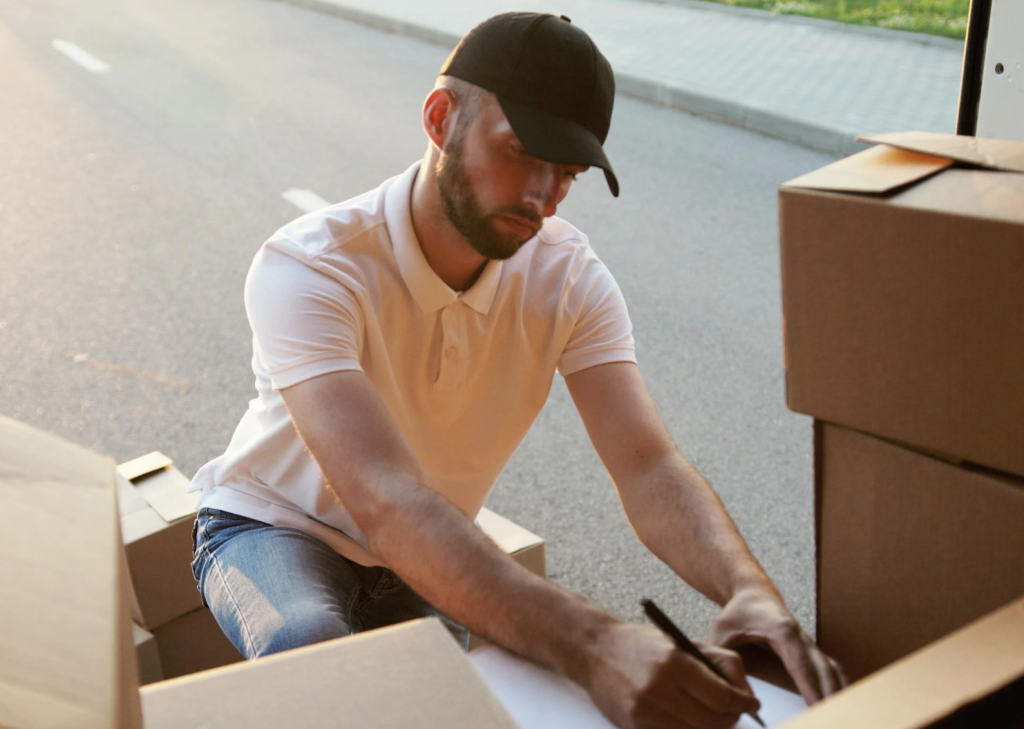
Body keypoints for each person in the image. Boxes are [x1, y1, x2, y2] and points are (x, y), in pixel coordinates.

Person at [188, 11, 844, 729]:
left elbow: (648, 466)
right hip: (277, 526)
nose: (544, 193)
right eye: (522, 152)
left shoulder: (569, 277)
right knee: (318, 655)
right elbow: (384, 496)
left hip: (428, 549)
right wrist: (596, 643)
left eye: (567, 171)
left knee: (464, 706)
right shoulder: (312, 265)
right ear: (441, 120)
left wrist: (747, 588)